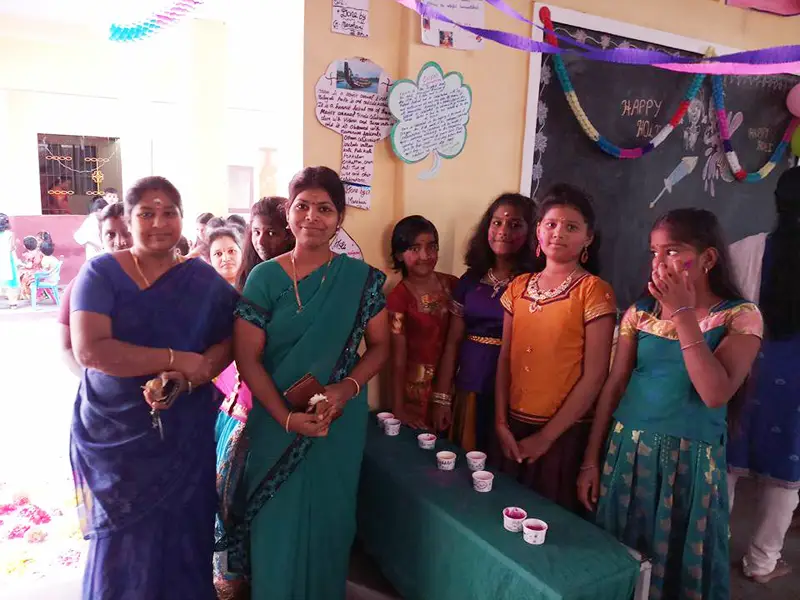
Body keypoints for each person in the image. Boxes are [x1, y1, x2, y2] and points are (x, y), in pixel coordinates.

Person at [217, 166, 389, 600]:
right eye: (302, 206)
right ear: (289, 213)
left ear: (340, 217)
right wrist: (286, 418)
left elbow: (381, 347)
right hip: (275, 421)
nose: (312, 217)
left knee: (331, 521)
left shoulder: (361, 280)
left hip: (338, 421)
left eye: (325, 209)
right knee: (276, 523)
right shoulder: (265, 277)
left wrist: (346, 389)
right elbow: (247, 357)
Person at [578, 209, 763, 600]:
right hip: (628, 453)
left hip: (689, 467)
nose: (659, 263)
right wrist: (591, 460)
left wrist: (682, 314)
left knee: (677, 565)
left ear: (708, 259)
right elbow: (614, 386)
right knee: (623, 556)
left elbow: (714, 393)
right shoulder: (640, 314)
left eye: (672, 251)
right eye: (654, 252)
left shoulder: (739, 317)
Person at [69, 176, 239, 599]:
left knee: (183, 535)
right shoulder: (101, 273)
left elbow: (231, 337)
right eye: (146, 213)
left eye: (169, 213)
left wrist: (192, 375)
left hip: (183, 432)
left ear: (182, 218)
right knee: (122, 543)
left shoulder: (201, 280)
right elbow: (89, 349)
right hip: (116, 437)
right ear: (129, 220)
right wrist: (175, 359)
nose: (159, 223)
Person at [495, 184, 616, 513]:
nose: (558, 233)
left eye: (571, 227)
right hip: (513, 427)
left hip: (564, 432)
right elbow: (505, 358)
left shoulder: (593, 291)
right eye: (551, 224)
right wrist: (501, 423)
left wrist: (546, 437)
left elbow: (595, 375)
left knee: (549, 521)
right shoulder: (518, 287)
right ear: (538, 230)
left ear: (588, 238)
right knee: (506, 514)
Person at [727, 166, 800, 583]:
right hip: (796, 386)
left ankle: (710, 546)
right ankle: (762, 563)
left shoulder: (745, 250)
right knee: (787, 474)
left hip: (743, 368)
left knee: (726, 462)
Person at [431, 193, 535, 454]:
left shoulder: (535, 283)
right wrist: (442, 398)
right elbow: (453, 342)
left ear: (532, 232)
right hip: (470, 382)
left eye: (515, 225)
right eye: (497, 222)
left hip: (514, 390)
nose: (503, 231)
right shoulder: (470, 280)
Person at [387, 216, 457, 430]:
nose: (425, 256)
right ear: (399, 254)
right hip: (417, 393)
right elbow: (398, 358)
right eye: (415, 249)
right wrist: (398, 409)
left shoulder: (453, 285)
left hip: (454, 382)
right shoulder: (398, 298)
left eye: (431, 247)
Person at [58, 203, 133, 376]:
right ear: (100, 238)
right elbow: (66, 347)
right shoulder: (83, 283)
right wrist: (93, 383)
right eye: (110, 235)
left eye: (127, 233)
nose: (120, 242)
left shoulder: (156, 279)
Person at [236, 196, 294, 290]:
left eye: (271, 233)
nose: (260, 241)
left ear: (289, 236)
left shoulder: (300, 275)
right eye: (257, 232)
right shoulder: (248, 272)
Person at [0, 213, 20, 308]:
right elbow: (12, 248)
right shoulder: (10, 234)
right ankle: (13, 303)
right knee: (11, 282)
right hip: (8, 259)